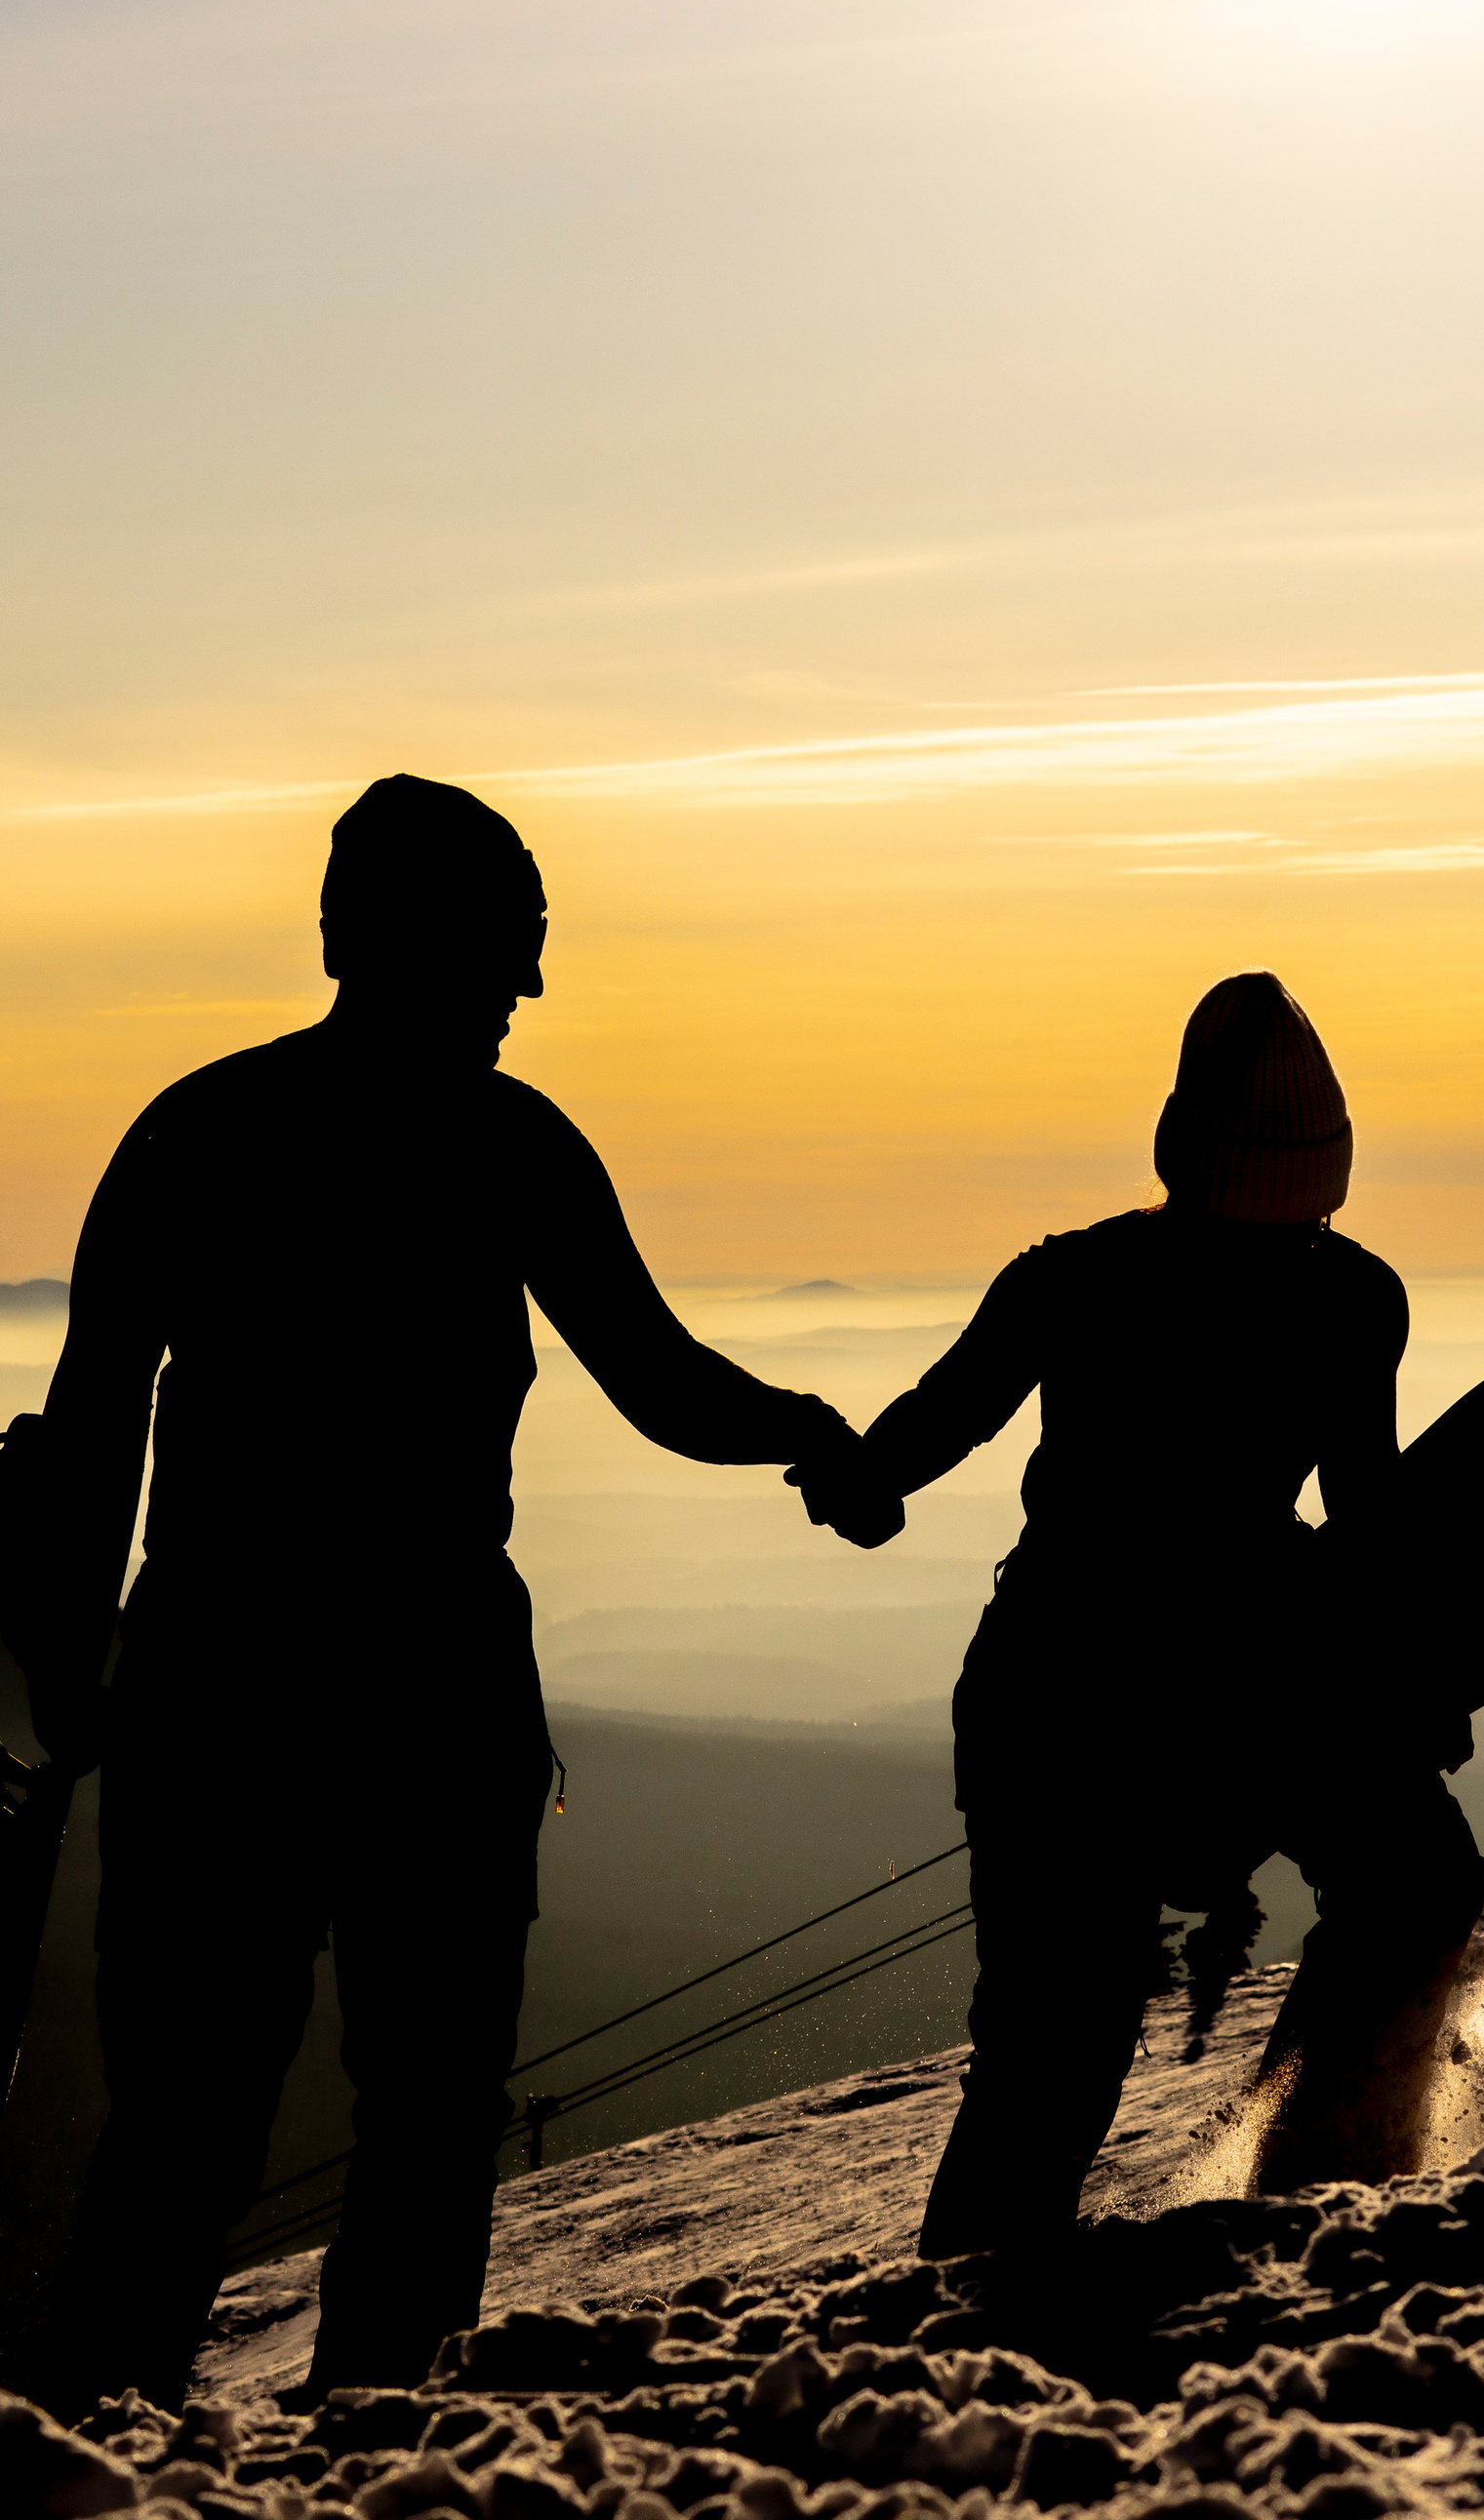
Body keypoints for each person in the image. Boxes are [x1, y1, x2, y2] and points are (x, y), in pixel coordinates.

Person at [13, 774, 896, 2417]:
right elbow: (659, 1379)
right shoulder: (507, 1144)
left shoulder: (196, 1129)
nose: (531, 986)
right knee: (423, 2126)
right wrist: (810, 1437)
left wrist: (71, 1679)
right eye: (512, 945)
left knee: (186, 2131)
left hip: (217, 1690)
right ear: (413, 942)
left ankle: (94, 2462)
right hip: (430, 1694)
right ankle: (376, 2457)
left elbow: (93, 1426)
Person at [796, 972, 1484, 2256]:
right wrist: (1425, 1672)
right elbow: (1369, 1517)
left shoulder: (1102, 1284)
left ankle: (1317, 2196)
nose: (1278, 1247)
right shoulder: (1300, 1293)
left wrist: (851, 1478)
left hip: (1203, 1670)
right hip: (1100, 1695)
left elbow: (907, 1458)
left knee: (1392, 1896)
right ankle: (989, 2303)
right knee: (1069, 2045)